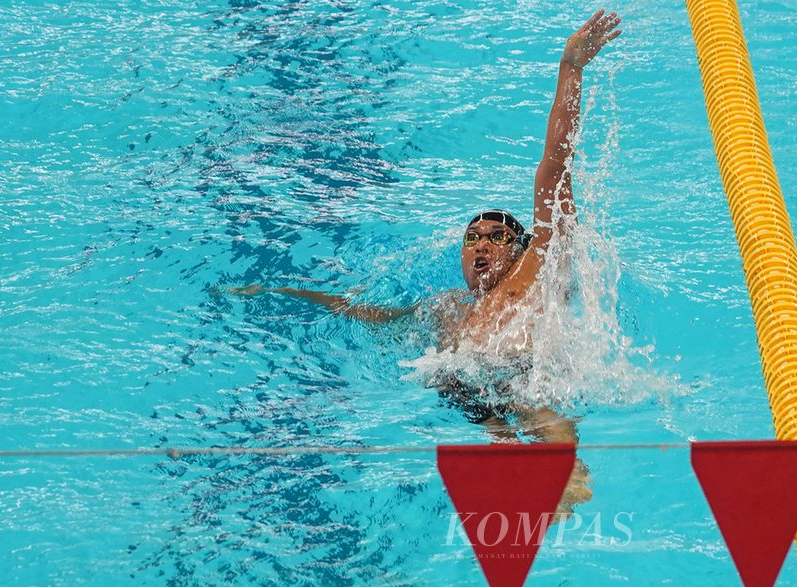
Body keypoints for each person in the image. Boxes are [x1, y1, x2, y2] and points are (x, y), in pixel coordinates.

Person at [232, 10, 622, 513]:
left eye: (498, 237)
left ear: (522, 248)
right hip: (470, 389)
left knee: (538, 410)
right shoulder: (447, 306)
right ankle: (502, 443)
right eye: (471, 238)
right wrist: (291, 295)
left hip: (529, 377)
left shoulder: (533, 272)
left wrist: (570, 69)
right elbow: (372, 315)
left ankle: (563, 468)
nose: (481, 245)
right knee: (447, 379)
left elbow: (554, 168)